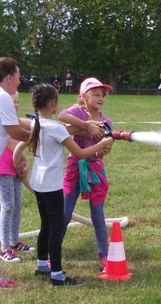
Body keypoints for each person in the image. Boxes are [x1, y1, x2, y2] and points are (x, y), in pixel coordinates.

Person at [14, 83, 113, 286]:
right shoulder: (56, 128)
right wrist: (102, 143)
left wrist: (88, 127)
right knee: (56, 228)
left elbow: (67, 129)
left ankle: (42, 266)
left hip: (38, 183)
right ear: (53, 103)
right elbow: (80, 153)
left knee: (46, 226)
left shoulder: (36, 124)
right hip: (52, 186)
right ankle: (57, 275)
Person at [58, 77, 114, 273]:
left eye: (102, 95)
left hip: (95, 170)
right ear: (83, 96)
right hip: (74, 168)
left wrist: (102, 151)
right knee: (64, 214)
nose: (100, 98)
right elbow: (62, 116)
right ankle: (52, 253)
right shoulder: (77, 111)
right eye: (95, 94)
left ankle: (104, 257)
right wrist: (86, 125)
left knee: (98, 215)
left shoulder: (107, 121)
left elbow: (101, 151)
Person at [0, 57, 31, 288]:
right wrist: (41, 138)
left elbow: (19, 125)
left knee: (14, 204)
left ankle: (11, 242)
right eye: (18, 76)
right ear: (9, 77)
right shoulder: (3, 97)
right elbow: (14, 131)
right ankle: (4, 248)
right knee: (7, 205)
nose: (20, 81)